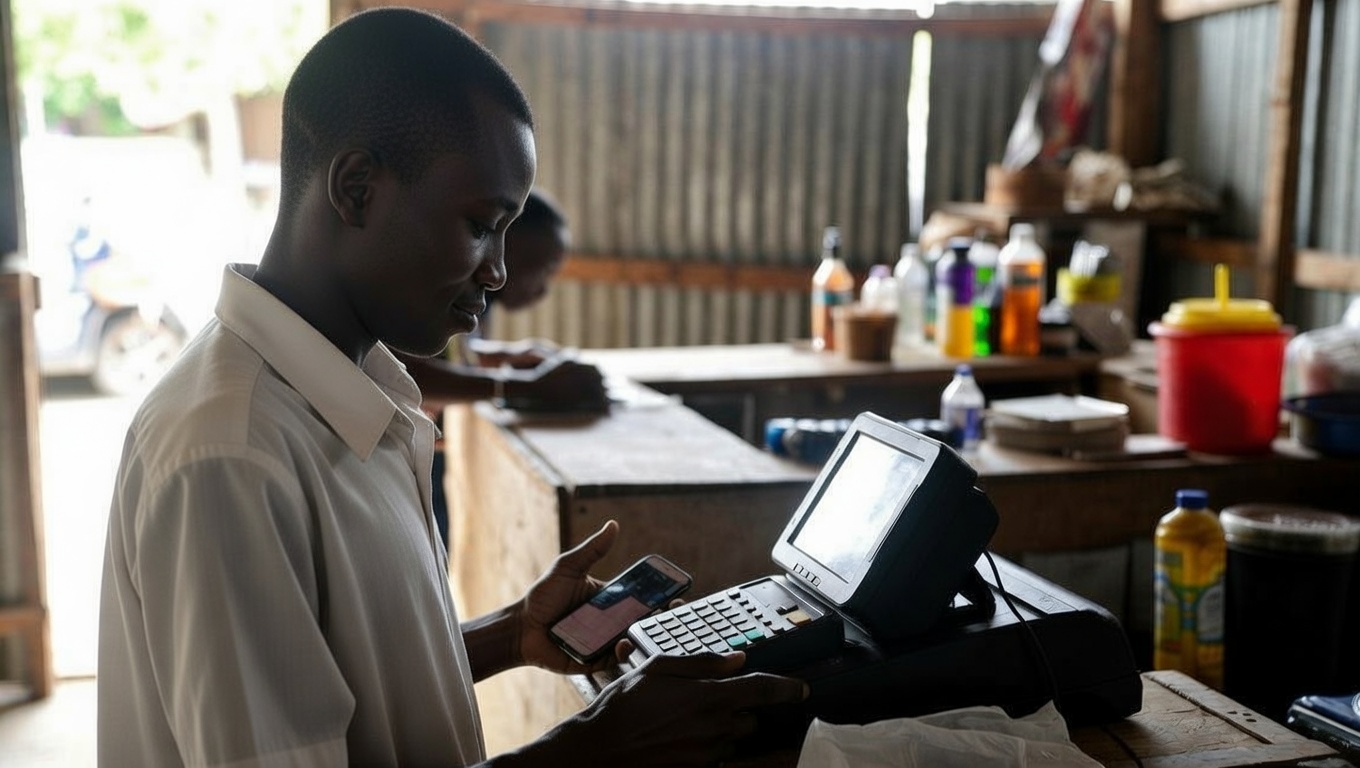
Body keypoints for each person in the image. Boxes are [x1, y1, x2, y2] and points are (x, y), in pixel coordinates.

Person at [97, 7, 805, 768]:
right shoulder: (229, 456)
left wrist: (512, 634)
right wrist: (596, 749)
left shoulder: (363, 392)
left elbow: (347, 683)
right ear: (358, 188)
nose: (498, 271)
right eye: (480, 224)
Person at [397, 187, 606, 546]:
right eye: (544, 270)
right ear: (511, 244)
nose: (543, 291)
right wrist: (525, 386)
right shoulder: (446, 282)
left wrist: (504, 356)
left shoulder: (482, 298)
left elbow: (452, 354)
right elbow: (408, 373)